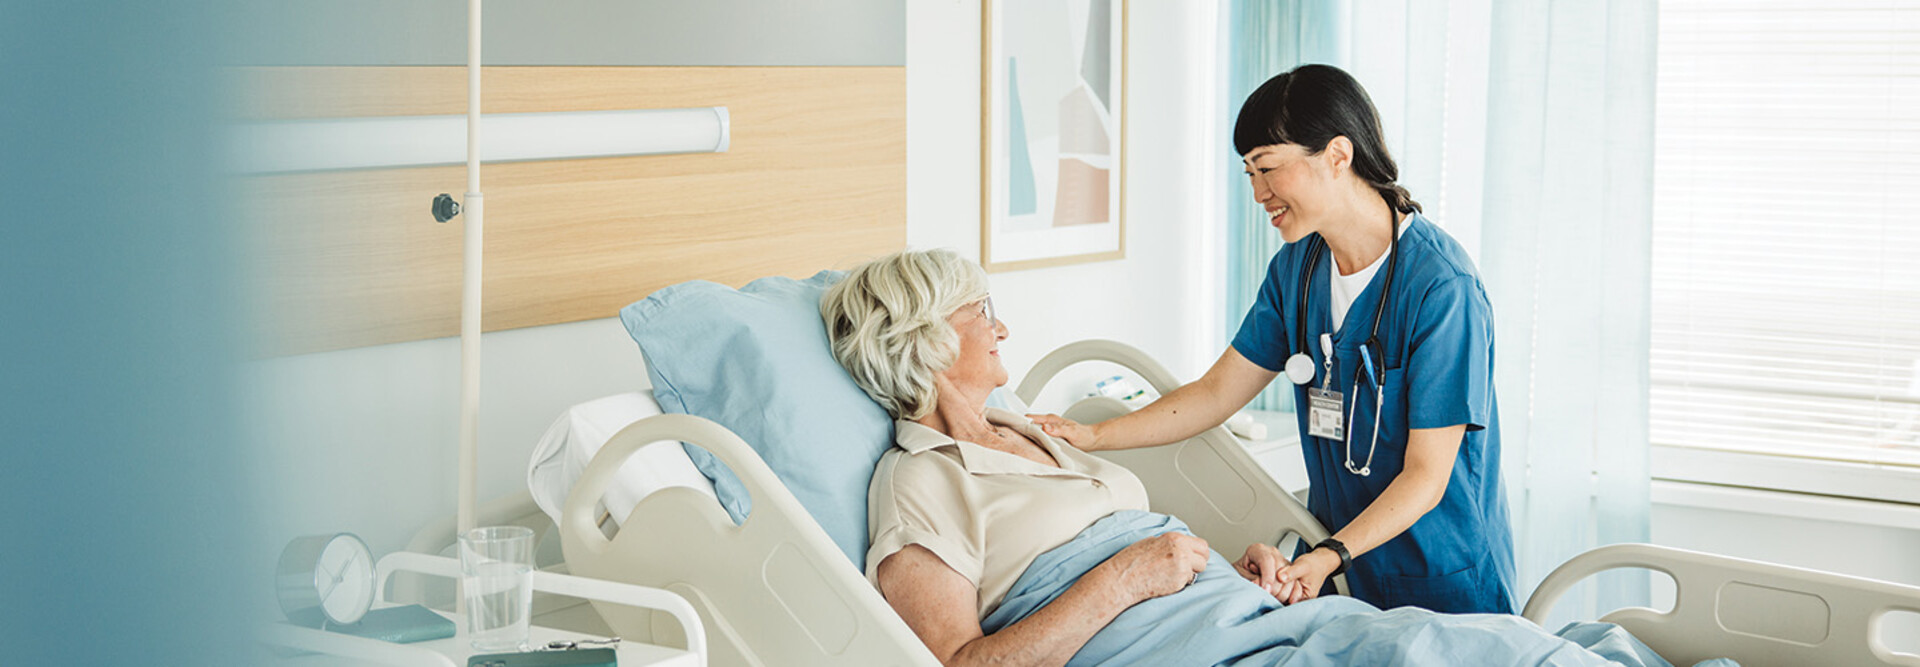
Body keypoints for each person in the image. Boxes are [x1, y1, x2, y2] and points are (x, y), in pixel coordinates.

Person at [819, 250, 1711, 667]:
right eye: (982, 311)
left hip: (1238, 615)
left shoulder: (1034, 431)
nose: (1004, 326)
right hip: (1185, 648)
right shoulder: (919, 479)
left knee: (1510, 647)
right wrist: (1130, 576)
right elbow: (963, 665)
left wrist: (1231, 570)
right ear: (927, 336)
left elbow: (1160, 547)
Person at [1029, 63, 1517, 615]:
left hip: (1440, 577)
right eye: (1249, 172)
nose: (1258, 192)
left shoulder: (1442, 288)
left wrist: (1331, 554)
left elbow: (1427, 476)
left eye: (1267, 168)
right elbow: (1216, 394)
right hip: (1342, 577)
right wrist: (1092, 436)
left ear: (1338, 155)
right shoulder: (1297, 270)